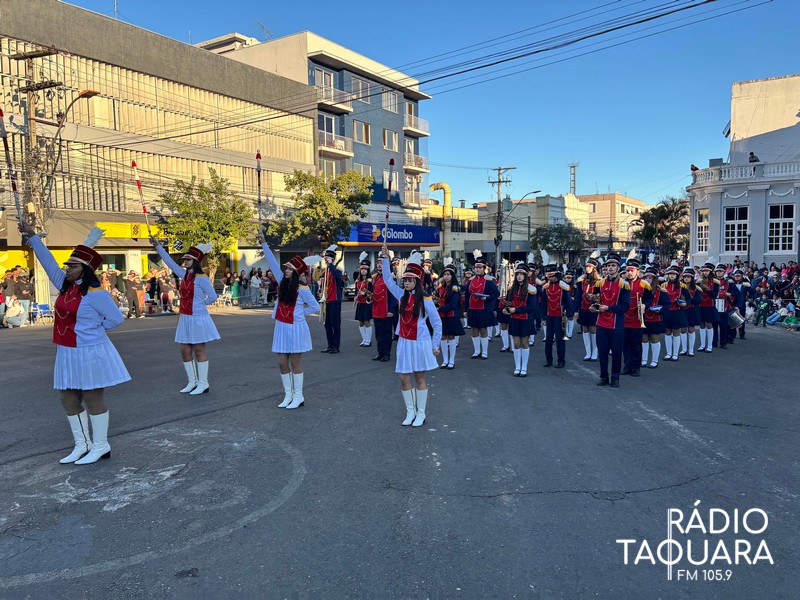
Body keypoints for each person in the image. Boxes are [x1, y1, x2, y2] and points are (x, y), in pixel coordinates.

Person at [19, 221, 129, 465]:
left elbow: (116, 319)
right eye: (67, 265)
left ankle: (101, 445)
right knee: (68, 399)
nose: (67, 269)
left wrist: (92, 331)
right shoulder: (64, 285)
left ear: (85, 270)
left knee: (92, 399)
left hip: (90, 351)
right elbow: (48, 262)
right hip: (67, 350)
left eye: (72, 266)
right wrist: (33, 236)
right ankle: (82, 444)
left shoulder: (96, 294)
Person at [380, 247, 442, 427]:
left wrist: (435, 345)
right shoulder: (401, 295)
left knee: (420, 378)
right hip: (404, 342)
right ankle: (410, 412)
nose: (406, 283)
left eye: (410, 280)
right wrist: (385, 259)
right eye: (405, 280)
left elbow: (437, 323)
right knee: (403, 378)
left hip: (421, 342)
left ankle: (421, 413)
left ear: (417, 281)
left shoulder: (426, 299)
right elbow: (387, 280)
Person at [150, 236, 219, 395]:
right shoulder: (184, 274)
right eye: (184, 260)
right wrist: (158, 246)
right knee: (185, 350)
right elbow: (170, 263)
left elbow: (213, 296)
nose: (185, 262)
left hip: (198, 318)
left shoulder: (202, 278)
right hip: (185, 317)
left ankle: (203, 383)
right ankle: (192, 382)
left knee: (199, 350)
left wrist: (200, 304)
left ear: (195, 261)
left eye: (188, 260)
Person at [259, 233, 321, 409]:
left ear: (296, 272)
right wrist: (264, 243)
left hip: (295, 327)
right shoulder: (281, 282)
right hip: (281, 326)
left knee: (295, 363)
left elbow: (315, 307)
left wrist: (299, 313)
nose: (286, 271)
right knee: (281, 362)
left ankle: (298, 396)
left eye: (290, 269)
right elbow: (271, 262)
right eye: (286, 268)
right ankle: (288, 395)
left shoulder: (303, 289)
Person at [590, 252, 630, 388]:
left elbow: (625, 306)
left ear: (618, 267)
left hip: (616, 324)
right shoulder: (599, 283)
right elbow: (596, 300)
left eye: (613, 265)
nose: (610, 268)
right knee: (602, 352)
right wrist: (594, 307)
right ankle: (603, 376)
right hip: (601, 323)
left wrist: (608, 308)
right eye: (608, 266)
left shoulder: (624, 285)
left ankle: (615, 377)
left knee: (617, 353)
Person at [502, 261, 537, 376]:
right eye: (517, 274)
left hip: (526, 319)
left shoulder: (531, 289)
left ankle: (524, 367)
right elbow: (509, 303)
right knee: (516, 343)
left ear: (526, 276)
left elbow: (531, 307)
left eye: (522, 274)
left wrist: (515, 310)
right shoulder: (511, 289)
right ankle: (517, 366)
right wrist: (506, 309)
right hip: (515, 319)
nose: (519, 276)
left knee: (524, 343)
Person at [464, 250, 499, 359]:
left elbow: (496, 293)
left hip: (484, 308)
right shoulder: (471, 280)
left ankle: (484, 352)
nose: (478, 269)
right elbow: (467, 295)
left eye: (480, 267)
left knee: (483, 330)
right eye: (476, 267)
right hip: (472, 308)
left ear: (484, 269)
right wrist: (465, 309)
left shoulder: (489, 280)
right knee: (474, 329)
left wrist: (487, 298)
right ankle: (476, 351)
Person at [621, 256, 652, 377]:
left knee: (636, 345)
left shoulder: (644, 284)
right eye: (628, 270)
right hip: (624, 318)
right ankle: (627, 366)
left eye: (632, 271)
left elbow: (649, 298)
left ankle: (636, 367)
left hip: (637, 319)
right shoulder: (622, 284)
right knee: (625, 344)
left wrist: (645, 305)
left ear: (637, 272)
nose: (629, 273)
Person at [541, 261, 572, 369]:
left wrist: (567, 315)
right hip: (549, 316)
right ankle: (548, 360)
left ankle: (561, 361)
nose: (551, 278)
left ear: (557, 275)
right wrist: (543, 317)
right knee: (548, 339)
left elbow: (568, 302)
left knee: (560, 339)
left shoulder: (564, 286)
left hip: (560, 317)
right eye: (549, 276)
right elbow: (543, 304)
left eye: (552, 276)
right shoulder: (545, 287)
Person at [435, 258, 465, 369]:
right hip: (441, 316)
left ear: (452, 276)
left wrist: (441, 308)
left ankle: (451, 360)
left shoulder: (455, 288)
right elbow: (437, 299)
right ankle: (445, 360)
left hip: (451, 315)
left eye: (448, 274)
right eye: (445, 274)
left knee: (451, 337)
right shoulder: (440, 288)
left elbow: (453, 304)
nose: (446, 276)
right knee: (443, 337)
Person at [370, 251, 398, 363]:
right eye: (378, 263)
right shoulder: (375, 277)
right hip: (376, 309)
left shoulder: (390, 277)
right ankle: (380, 352)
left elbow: (393, 295)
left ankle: (386, 353)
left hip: (386, 310)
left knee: (386, 334)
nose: (379, 265)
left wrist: (391, 310)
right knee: (378, 334)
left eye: (381, 263)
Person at [641, 266, 670, 368]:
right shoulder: (641, 289)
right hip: (643, 317)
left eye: (650, 278)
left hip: (655, 317)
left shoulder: (661, 291)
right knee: (644, 338)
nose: (648, 280)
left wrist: (660, 309)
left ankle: (654, 360)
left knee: (654, 338)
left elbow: (667, 304)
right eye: (646, 277)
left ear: (654, 279)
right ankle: (644, 359)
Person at [661, 263, 691, 361]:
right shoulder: (663, 285)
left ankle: (675, 354)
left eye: (673, 274)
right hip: (667, 311)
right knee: (667, 332)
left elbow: (689, 298)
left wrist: (685, 303)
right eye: (670, 274)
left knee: (676, 332)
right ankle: (668, 353)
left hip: (677, 311)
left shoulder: (682, 286)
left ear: (677, 275)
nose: (672, 276)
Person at [319, 244, 344, 354]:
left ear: (332, 259)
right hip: (327, 300)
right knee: (327, 324)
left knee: (335, 324)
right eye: (325, 258)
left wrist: (331, 265)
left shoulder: (337, 269)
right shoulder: (326, 271)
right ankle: (330, 345)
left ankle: (336, 346)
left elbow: (338, 277)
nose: (325, 259)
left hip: (335, 299)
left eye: (327, 258)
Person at [577, 251, 602, 361]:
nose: (587, 268)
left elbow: (601, 297)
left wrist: (594, 297)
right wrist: (576, 310)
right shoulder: (581, 280)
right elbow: (578, 296)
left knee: (593, 328)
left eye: (589, 267)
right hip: (583, 307)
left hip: (594, 307)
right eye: (586, 266)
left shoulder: (599, 281)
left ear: (594, 268)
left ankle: (595, 352)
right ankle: (588, 352)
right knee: (585, 328)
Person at [696, 262, 720, 352]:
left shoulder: (715, 282)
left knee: (709, 325)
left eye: (707, 271)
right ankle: (702, 345)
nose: (705, 273)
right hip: (701, 305)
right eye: (703, 271)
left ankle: (709, 345)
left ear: (710, 272)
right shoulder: (699, 281)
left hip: (710, 305)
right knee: (701, 324)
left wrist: (707, 289)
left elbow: (715, 295)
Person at [353, 252, 374, 347]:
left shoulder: (370, 281)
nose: (363, 271)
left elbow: (373, 293)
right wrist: (355, 296)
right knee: (360, 322)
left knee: (366, 321)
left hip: (367, 303)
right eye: (362, 269)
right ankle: (364, 339)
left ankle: (368, 340)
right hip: (360, 303)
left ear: (368, 270)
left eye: (365, 269)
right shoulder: (358, 281)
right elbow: (355, 291)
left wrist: (364, 293)